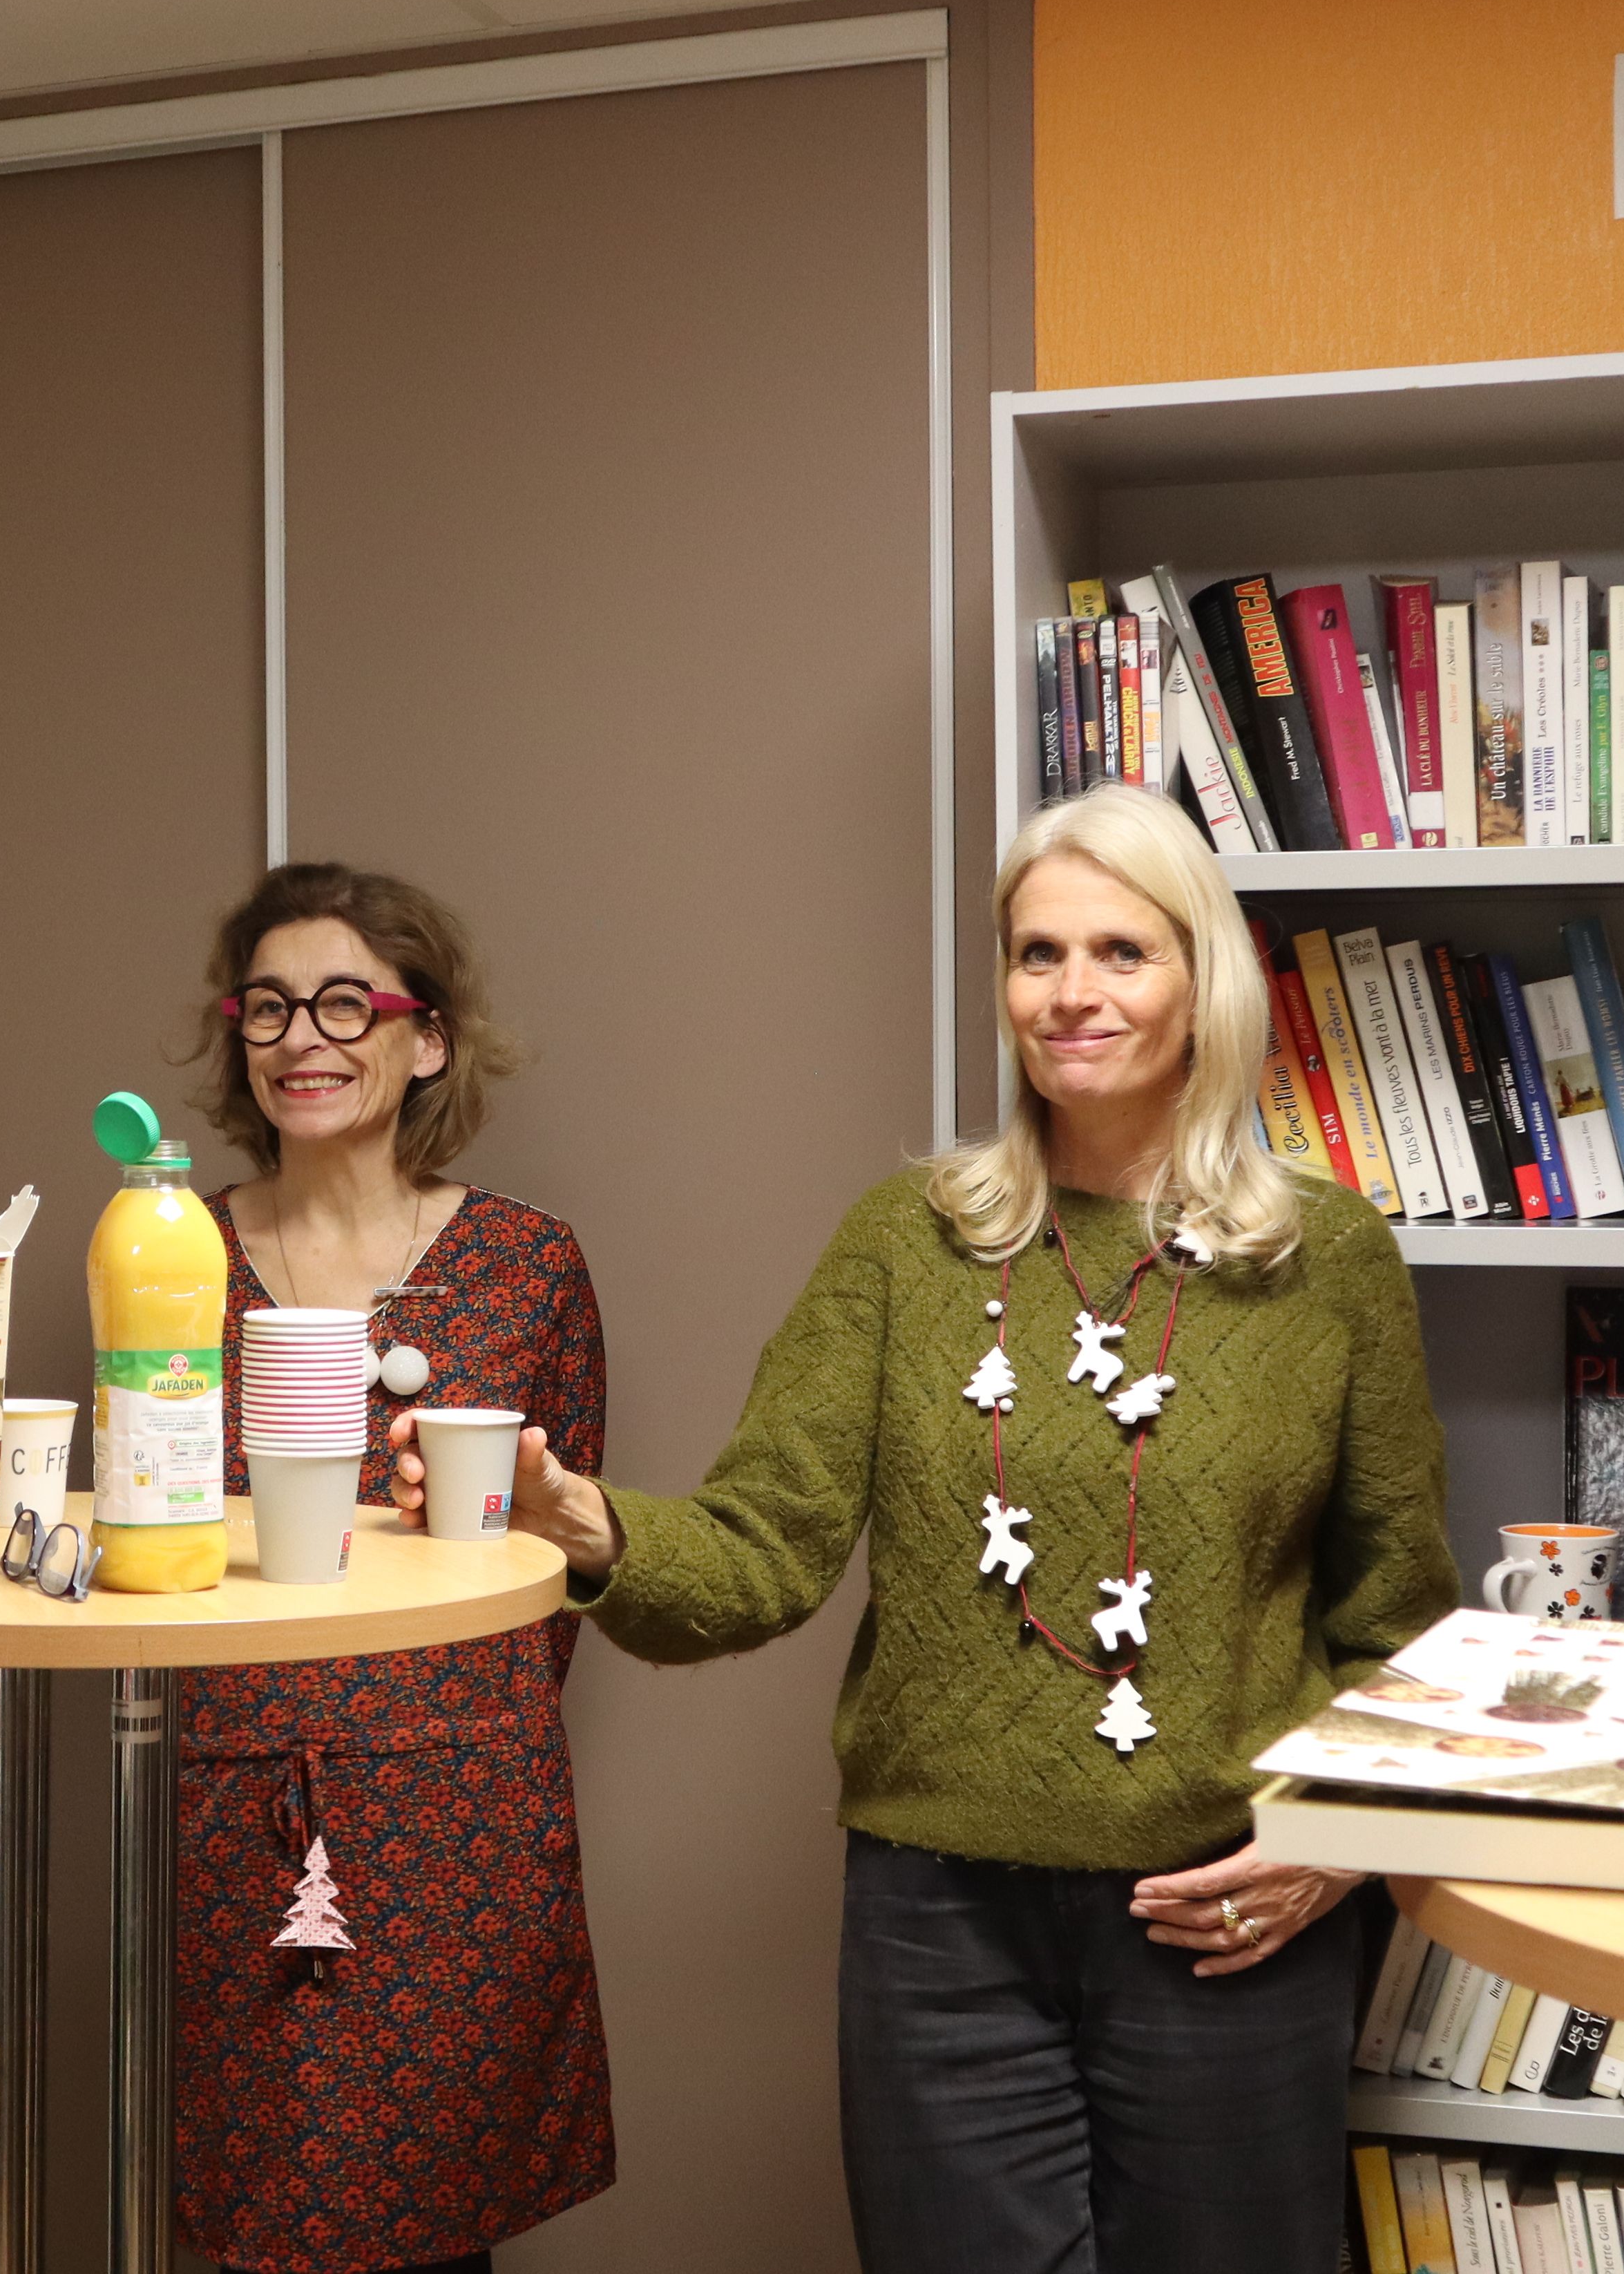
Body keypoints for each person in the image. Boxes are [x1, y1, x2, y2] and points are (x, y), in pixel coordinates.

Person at [396, 786, 1454, 2274]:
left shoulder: (1324, 1257)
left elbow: (1403, 1626)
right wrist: (577, 1517)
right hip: (940, 1933)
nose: (1071, 992)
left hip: (1231, 1921)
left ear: (1203, 980)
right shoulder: (913, 1240)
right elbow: (763, 1547)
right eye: (1036, 954)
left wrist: (1337, 1849)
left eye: (1122, 952)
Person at [173, 863, 611, 2274]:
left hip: (463, 1814)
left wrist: (437, 1726)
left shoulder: (531, 1265)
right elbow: (151, 1524)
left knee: (438, 2235)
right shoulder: (176, 1257)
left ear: (427, 1039)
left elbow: (560, 1572)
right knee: (259, 2228)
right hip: (237, 1803)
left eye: (346, 1004)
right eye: (270, 1007)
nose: (303, 1037)